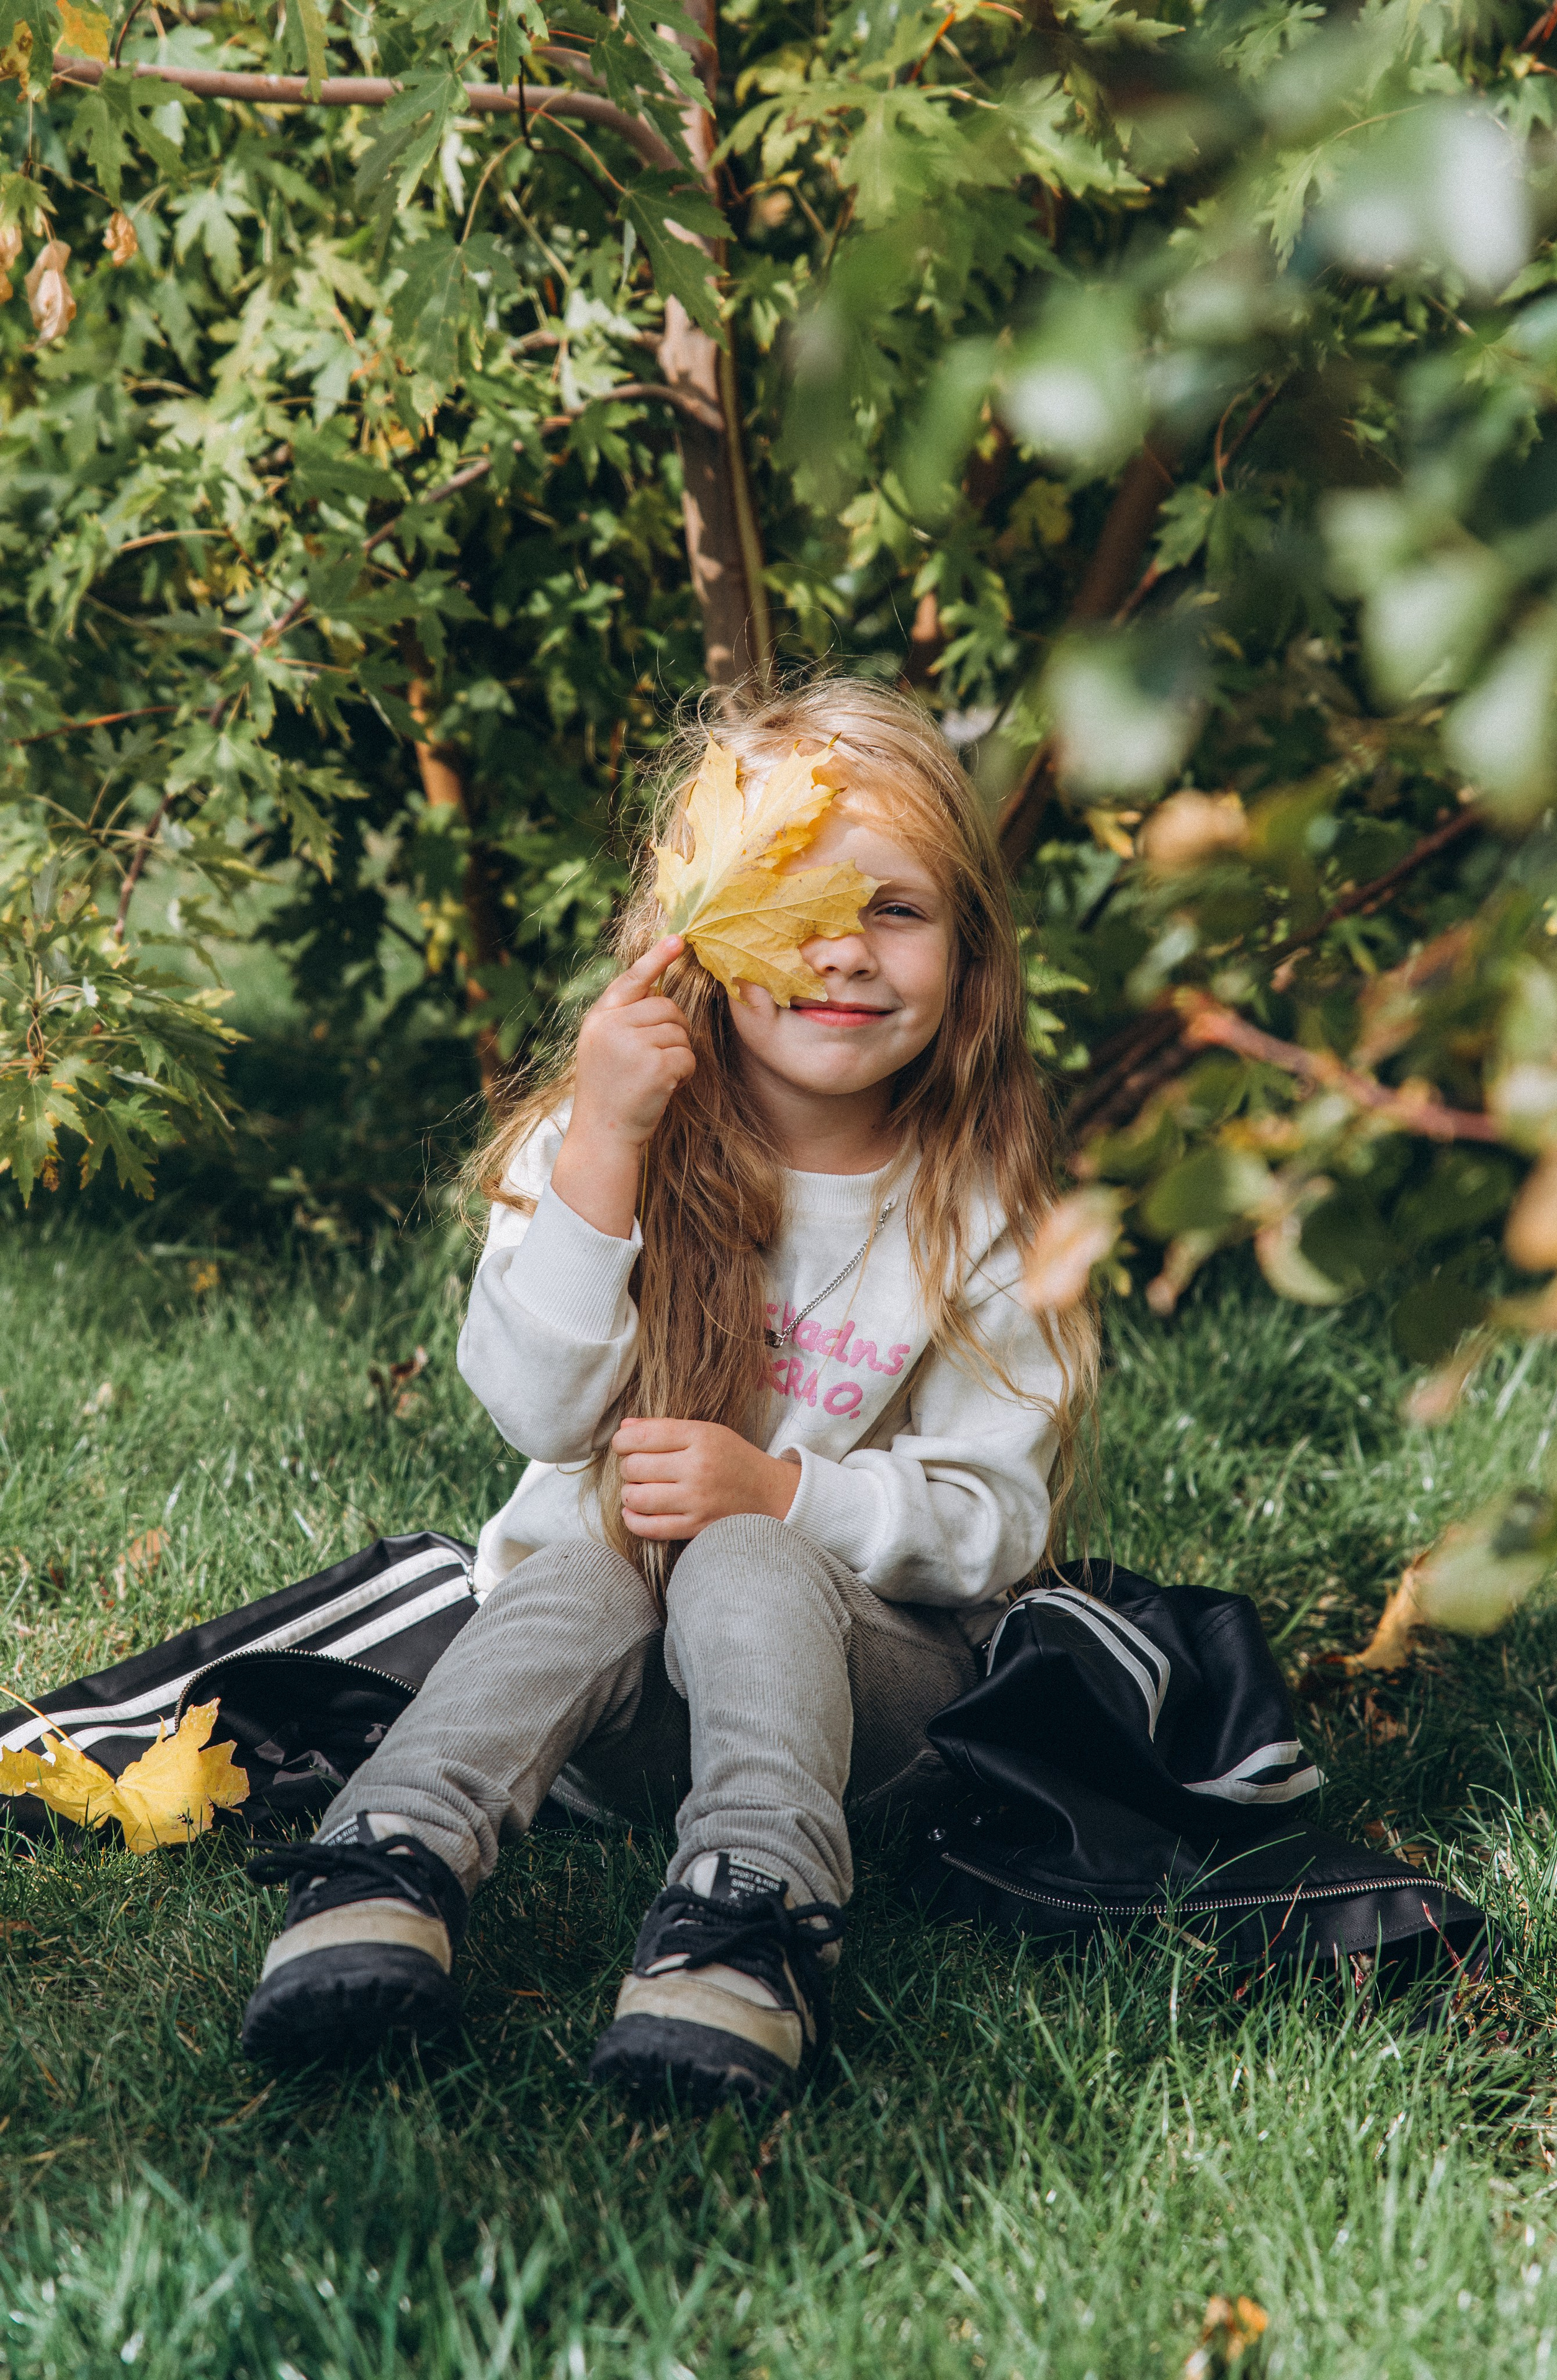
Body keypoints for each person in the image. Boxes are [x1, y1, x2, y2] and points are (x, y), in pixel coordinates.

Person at [241, 677, 1098, 2107]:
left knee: (749, 1558)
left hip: (860, 1711)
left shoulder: (983, 1214)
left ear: (967, 947)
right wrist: (601, 1151)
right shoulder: (604, 1144)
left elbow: (998, 1519)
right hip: (599, 1717)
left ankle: (755, 1909)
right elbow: (532, 1406)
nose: (842, 952)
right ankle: (383, 1860)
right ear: (698, 930)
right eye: (791, 906)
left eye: (897, 910)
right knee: (582, 1575)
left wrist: (781, 1494)